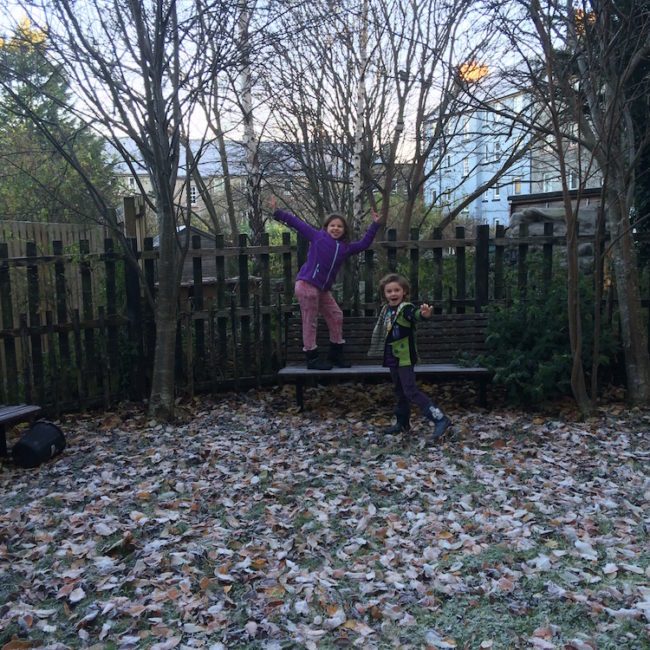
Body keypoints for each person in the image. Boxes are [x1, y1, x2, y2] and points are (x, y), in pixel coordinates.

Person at [271, 198, 382, 369]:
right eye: (332, 225)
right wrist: (278, 212)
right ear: (326, 227)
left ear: (344, 230)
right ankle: (312, 358)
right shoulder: (317, 237)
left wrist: (374, 225)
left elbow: (364, 244)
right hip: (307, 284)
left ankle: (335, 355)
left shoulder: (345, 248)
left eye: (339, 226)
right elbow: (297, 223)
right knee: (310, 321)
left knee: (336, 315)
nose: (336, 228)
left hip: (322, 289)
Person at [369, 273, 451, 439]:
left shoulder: (405, 309)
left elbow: (415, 315)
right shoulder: (386, 310)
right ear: (384, 294)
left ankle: (440, 418)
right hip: (392, 356)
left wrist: (424, 314)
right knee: (399, 390)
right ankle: (402, 423)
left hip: (405, 357)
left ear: (404, 292)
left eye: (397, 290)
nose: (393, 294)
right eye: (389, 291)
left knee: (411, 390)